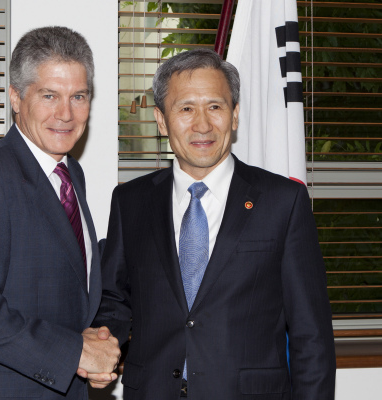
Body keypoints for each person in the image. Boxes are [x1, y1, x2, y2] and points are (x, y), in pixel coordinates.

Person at [93, 48, 336, 399]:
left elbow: (310, 334)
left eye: (216, 107)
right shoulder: (130, 202)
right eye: (186, 108)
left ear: (234, 115)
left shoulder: (283, 201)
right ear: (161, 120)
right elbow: (115, 299)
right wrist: (102, 341)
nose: (203, 125)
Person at [0, 26, 120, 399]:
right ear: (16, 98)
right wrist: (75, 352)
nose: (66, 114)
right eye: (49, 95)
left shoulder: (71, 174)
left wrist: (91, 349)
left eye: (78, 96)